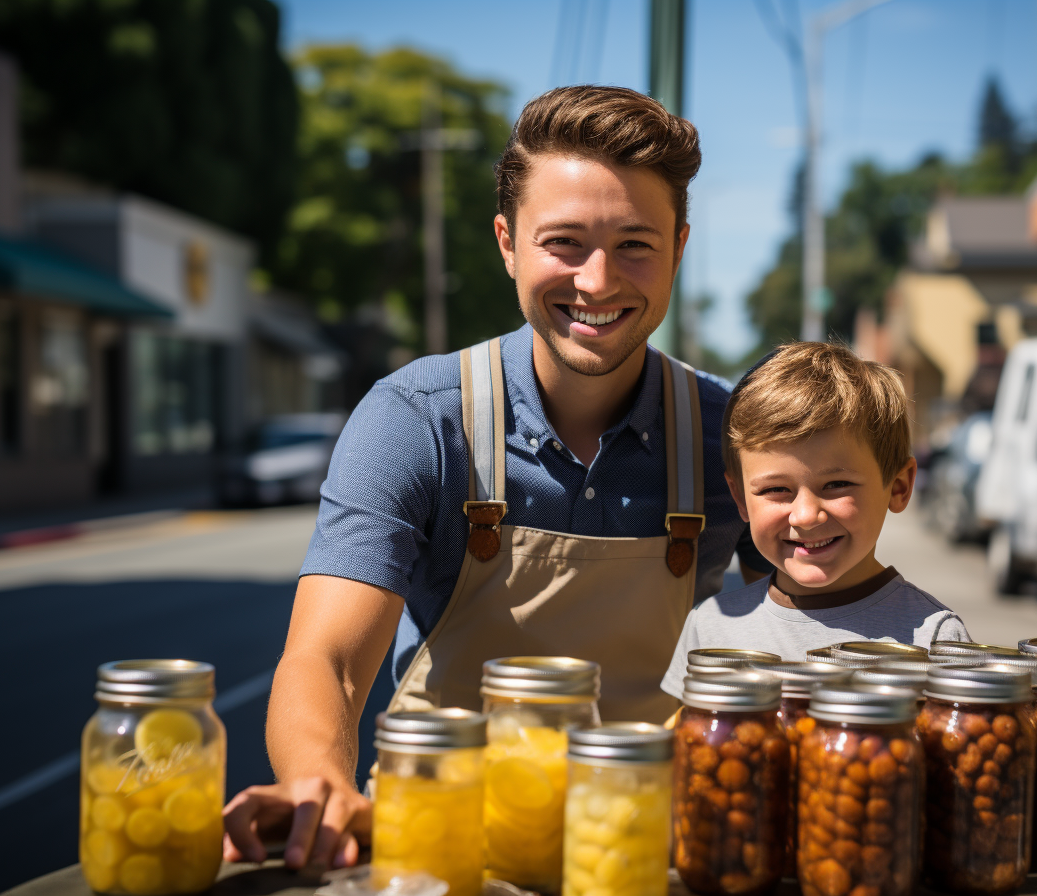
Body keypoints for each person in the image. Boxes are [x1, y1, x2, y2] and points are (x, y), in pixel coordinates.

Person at [221, 85, 770, 871]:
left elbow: (802, 629)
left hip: (643, 858)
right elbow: (328, 660)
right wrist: (320, 787)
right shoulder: (414, 420)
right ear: (507, 243)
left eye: (636, 245)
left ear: (680, 248)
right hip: (439, 853)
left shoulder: (731, 434)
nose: (598, 280)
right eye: (565, 242)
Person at [660, 341, 970, 696]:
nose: (806, 516)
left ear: (898, 487)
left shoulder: (937, 643)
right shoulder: (710, 630)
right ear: (739, 498)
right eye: (776, 489)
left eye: (837, 484)